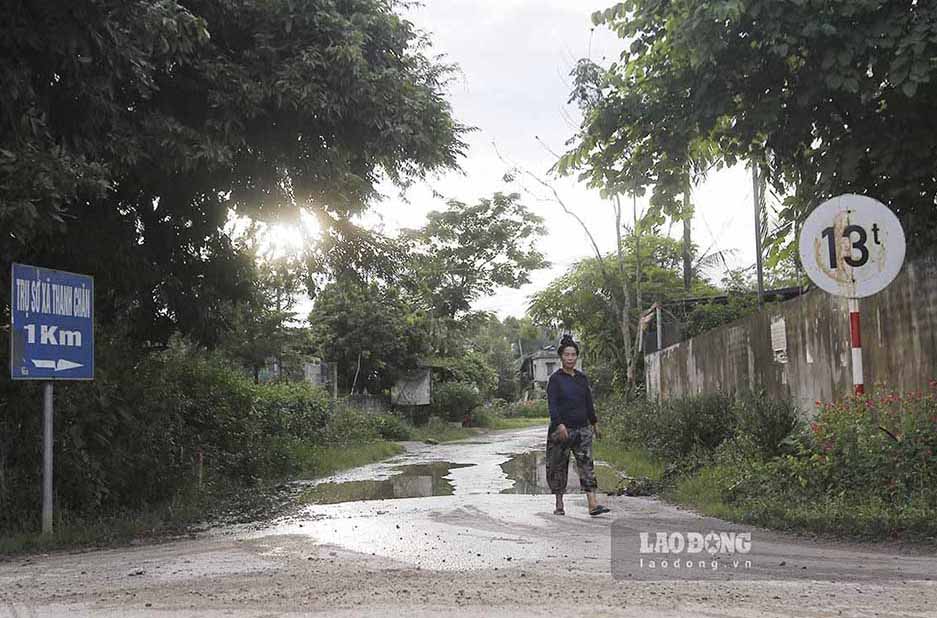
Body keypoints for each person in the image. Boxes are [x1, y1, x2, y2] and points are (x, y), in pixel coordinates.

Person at [545, 334, 610, 517]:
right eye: (567, 355)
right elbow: (553, 405)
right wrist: (559, 425)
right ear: (561, 357)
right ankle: (559, 504)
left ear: (576, 357)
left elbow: (588, 402)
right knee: (558, 466)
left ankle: (593, 504)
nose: (570, 358)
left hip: (582, 429)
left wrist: (595, 423)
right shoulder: (555, 380)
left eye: (573, 355)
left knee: (586, 465)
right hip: (562, 431)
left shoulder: (582, 379)